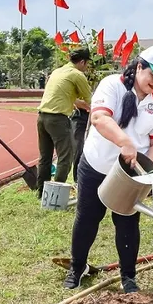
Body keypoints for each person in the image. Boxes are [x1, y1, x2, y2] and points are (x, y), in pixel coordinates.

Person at [65, 46, 153, 293]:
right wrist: (125, 142)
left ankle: (128, 276)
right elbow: (99, 118)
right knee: (87, 218)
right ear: (139, 67)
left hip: (130, 175)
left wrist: (145, 173)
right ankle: (77, 267)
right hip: (98, 164)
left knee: (127, 223)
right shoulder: (112, 85)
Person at [36, 49, 93, 198]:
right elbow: (90, 99)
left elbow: (62, 95)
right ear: (82, 62)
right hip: (58, 119)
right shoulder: (77, 75)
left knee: (45, 157)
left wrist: (78, 103)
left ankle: (42, 192)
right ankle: (55, 195)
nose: (87, 67)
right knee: (66, 158)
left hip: (42, 117)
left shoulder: (57, 72)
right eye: (87, 64)